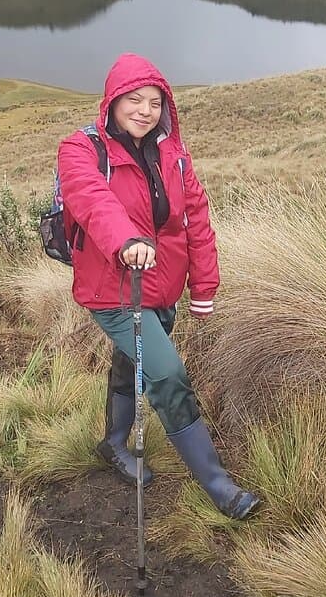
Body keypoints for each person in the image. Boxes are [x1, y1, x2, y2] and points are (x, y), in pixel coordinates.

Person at [57, 52, 260, 521]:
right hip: (115, 290)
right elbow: (90, 201)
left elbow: (196, 220)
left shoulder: (173, 154)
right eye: (134, 99)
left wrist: (204, 285)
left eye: (154, 102)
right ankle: (219, 486)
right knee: (167, 375)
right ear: (112, 101)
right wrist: (126, 240)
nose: (145, 110)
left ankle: (112, 446)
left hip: (163, 289)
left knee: (134, 363)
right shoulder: (81, 150)